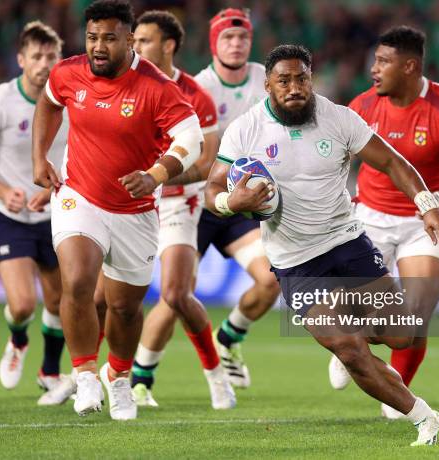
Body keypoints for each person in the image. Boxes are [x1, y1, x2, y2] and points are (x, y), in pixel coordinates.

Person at [205, 44, 439, 446]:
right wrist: (228, 202)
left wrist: (427, 205)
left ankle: (349, 333)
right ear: (268, 84)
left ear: (311, 78)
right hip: (295, 261)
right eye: (284, 80)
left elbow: (393, 161)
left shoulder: (338, 118)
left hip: (347, 242)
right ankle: (425, 418)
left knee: (402, 336)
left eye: (301, 78)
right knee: (350, 349)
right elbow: (213, 188)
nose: (294, 88)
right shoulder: (246, 128)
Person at [31, 0, 204, 420]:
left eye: (109, 38)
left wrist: (157, 174)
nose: (99, 46)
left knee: (125, 307)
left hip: (136, 209)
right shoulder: (68, 73)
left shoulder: (157, 87)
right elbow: (49, 103)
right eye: (92, 37)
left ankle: (120, 377)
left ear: (129, 40)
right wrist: (39, 158)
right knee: (76, 280)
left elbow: (190, 138)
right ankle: (85, 372)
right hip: (79, 196)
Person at [329, 26, 439, 419]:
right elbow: (331, 166)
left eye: (383, 62)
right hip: (368, 218)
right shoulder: (361, 107)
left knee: (414, 316)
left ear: (410, 66)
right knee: (354, 311)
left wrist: (438, 201)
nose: (373, 70)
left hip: (423, 222)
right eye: (374, 61)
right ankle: (354, 343)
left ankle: (397, 394)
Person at [129, 7, 280, 395]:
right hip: (196, 202)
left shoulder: (269, 80)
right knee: (175, 296)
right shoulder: (197, 88)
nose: (236, 44)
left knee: (271, 280)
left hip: (240, 203)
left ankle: (229, 337)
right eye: (227, 38)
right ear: (214, 43)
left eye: (242, 37)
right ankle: (141, 377)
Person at [93, 9, 235, 410]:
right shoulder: (120, 84)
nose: (134, 47)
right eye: (133, 41)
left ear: (168, 45)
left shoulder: (196, 96)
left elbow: (208, 164)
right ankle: (88, 375)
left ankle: (215, 373)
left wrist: (156, 178)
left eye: (144, 41)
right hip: (125, 203)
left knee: (175, 293)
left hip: (177, 204)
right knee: (101, 297)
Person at [0, 21, 72, 406]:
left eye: (51, 56)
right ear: (21, 59)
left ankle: (49, 371)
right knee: (23, 304)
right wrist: (3, 190)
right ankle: (19, 339)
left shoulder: (73, 100)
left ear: (60, 59)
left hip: (59, 212)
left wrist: (60, 189)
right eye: (36, 56)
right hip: (12, 215)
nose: (44, 63)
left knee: (59, 303)